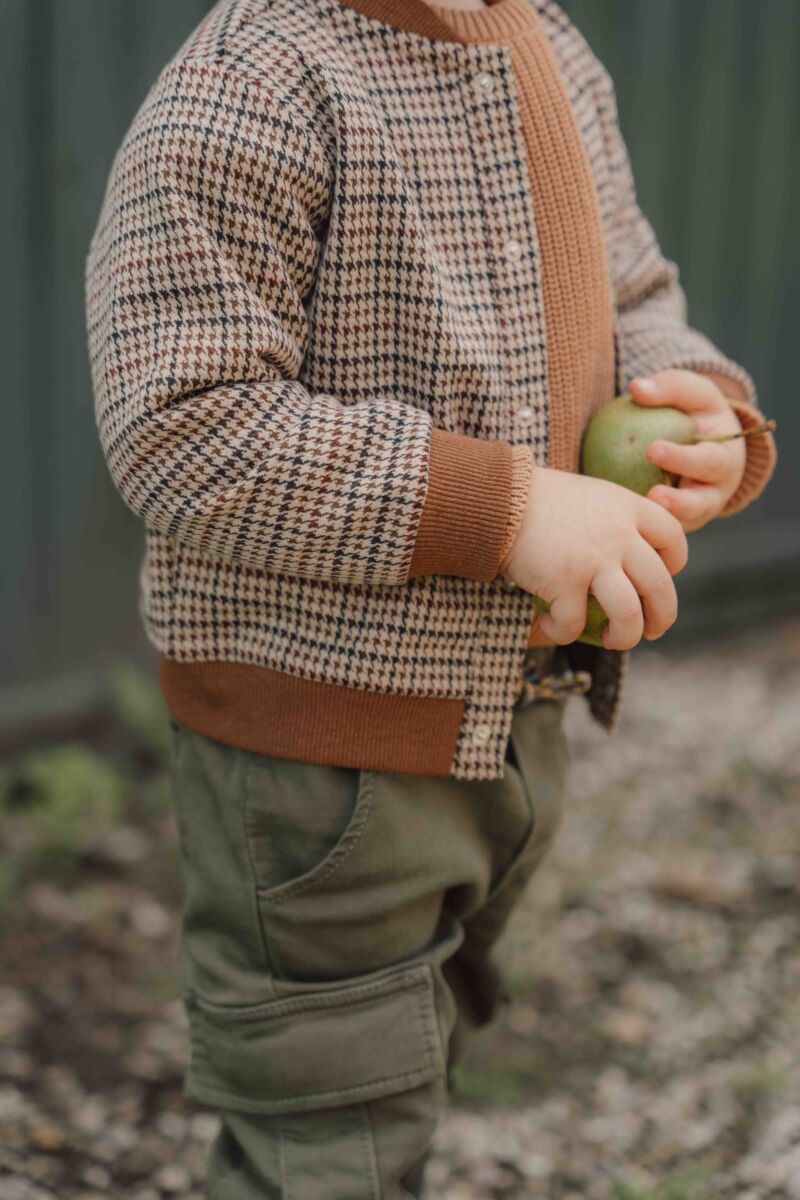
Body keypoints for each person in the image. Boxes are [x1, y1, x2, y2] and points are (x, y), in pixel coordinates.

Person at [84, 0, 777, 1194]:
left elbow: (632, 292)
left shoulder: (543, 43)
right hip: (318, 752)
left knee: (410, 1059)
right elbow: (183, 428)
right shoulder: (256, 80)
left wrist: (691, 402)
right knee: (328, 1134)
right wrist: (502, 512)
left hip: (509, 715)